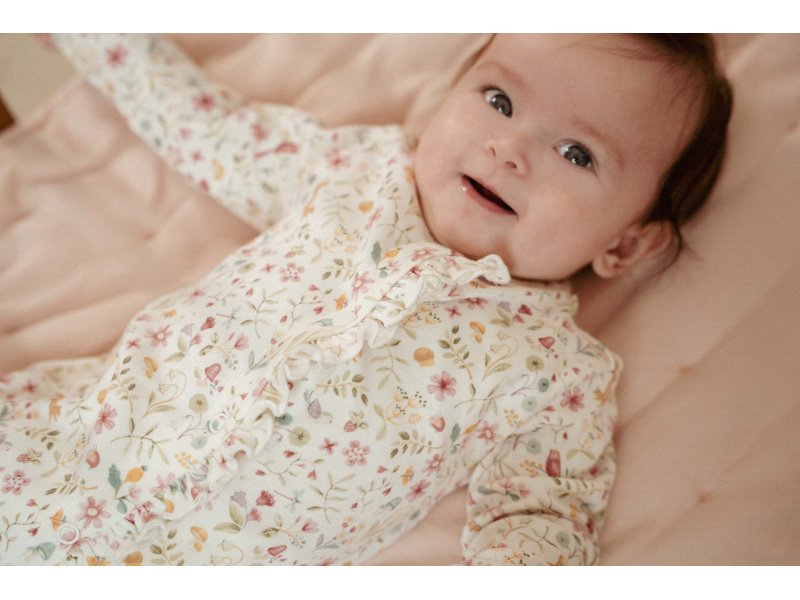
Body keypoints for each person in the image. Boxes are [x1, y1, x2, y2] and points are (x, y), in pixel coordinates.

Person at [0, 33, 731, 565]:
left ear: (625, 245)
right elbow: (214, 132)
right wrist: (98, 34)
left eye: (576, 153)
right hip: (58, 450)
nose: (509, 149)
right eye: (499, 100)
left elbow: (540, 516)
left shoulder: (554, 375)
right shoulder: (354, 174)